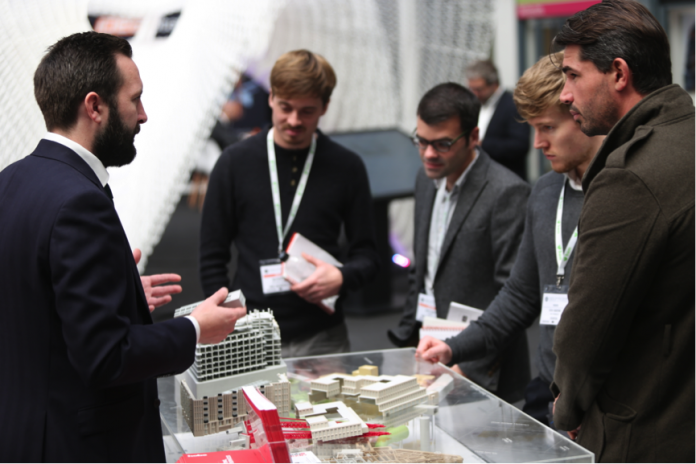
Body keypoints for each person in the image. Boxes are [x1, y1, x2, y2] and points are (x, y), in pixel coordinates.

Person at [0, 32, 246, 462]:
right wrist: (195, 328)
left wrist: (119, 295)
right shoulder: (79, 201)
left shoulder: (10, 181)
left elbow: (32, 302)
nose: (143, 115)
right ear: (95, 107)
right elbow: (105, 357)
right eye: (135, 99)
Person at [416, 53, 604, 425]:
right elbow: (519, 295)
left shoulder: (621, 192)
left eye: (548, 127)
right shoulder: (545, 192)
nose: (537, 143)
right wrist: (454, 348)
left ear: (582, 115)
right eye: (533, 128)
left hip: (601, 400)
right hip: (549, 386)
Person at [551, 1, 696, 461]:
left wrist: (567, 406)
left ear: (618, 73)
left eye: (573, 75)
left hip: (645, 433)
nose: (564, 95)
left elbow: (587, 333)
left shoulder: (631, 176)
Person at [200, 50, 379, 357]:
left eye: (307, 111)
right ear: (271, 98)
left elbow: (368, 255)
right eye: (286, 107)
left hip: (323, 337)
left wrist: (342, 277)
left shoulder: (347, 167)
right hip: (249, 333)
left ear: (325, 107)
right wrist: (226, 317)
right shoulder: (234, 163)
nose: (294, 121)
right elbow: (211, 255)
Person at [388, 83, 531, 403]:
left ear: (473, 137)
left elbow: (513, 298)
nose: (429, 154)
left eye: (442, 144)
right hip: (428, 351)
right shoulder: (426, 179)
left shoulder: (507, 192)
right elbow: (423, 271)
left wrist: (469, 366)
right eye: (421, 141)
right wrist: (407, 339)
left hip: (483, 370)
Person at [466, 60, 530, 179]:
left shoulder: (513, 105)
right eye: (471, 89)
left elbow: (520, 145)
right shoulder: (475, 104)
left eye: (479, 89)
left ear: (494, 84)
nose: (475, 94)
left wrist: (482, 144)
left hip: (508, 179)